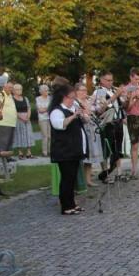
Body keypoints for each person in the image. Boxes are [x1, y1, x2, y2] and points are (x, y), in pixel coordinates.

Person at [49, 81, 88, 214]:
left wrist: (82, 115)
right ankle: (66, 206)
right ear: (64, 97)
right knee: (66, 178)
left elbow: (85, 122)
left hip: (74, 150)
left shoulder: (72, 109)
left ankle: (72, 203)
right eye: (71, 98)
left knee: (72, 179)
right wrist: (73, 116)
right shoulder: (56, 111)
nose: (73, 100)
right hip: (64, 150)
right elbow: (60, 125)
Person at [93, 72, 120, 183]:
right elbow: (100, 109)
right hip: (106, 124)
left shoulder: (113, 90)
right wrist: (116, 96)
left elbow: (119, 106)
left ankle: (115, 172)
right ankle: (105, 174)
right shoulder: (99, 91)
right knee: (105, 150)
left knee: (116, 150)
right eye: (108, 80)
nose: (110, 82)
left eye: (111, 80)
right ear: (102, 80)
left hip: (116, 122)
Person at [73, 82, 102, 186]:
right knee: (83, 156)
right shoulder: (75, 102)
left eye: (85, 90)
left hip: (92, 129)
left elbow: (98, 111)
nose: (85, 92)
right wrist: (89, 104)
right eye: (82, 90)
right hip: (83, 129)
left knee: (90, 157)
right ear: (76, 92)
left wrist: (102, 103)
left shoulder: (87, 101)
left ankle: (88, 180)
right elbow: (84, 116)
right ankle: (80, 181)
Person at [12, 84, 35, 159]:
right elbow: (13, 110)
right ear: (14, 91)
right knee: (19, 135)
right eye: (18, 89)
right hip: (18, 119)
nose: (20, 91)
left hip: (27, 118)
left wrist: (28, 117)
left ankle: (29, 152)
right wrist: (21, 117)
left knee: (28, 134)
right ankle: (20, 152)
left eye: (21, 89)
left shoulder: (25, 98)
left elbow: (29, 108)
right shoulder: (12, 99)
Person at [35, 84, 51, 156]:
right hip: (42, 119)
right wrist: (48, 108)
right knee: (45, 136)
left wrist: (45, 108)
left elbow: (52, 108)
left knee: (50, 136)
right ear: (41, 92)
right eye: (45, 90)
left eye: (47, 90)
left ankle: (50, 151)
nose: (47, 92)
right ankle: (44, 152)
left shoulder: (50, 98)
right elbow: (40, 110)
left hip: (50, 118)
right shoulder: (38, 99)